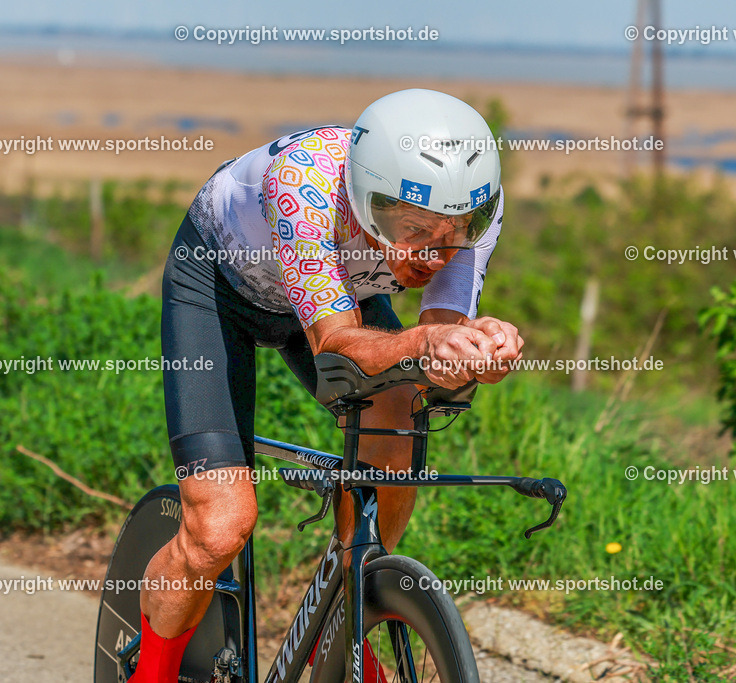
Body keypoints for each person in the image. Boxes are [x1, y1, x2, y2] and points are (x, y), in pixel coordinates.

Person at [129, 88, 524, 681]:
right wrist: (424, 346)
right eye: (412, 228)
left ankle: (347, 616)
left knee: (397, 426)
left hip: (334, 298)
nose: (434, 254)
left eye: (453, 233)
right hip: (218, 289)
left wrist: (478, 352)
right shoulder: (304, 184)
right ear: (366, 199)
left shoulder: (472, 212)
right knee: (218, 530)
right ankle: (150, 673)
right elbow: (337, 344)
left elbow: (436, 343)